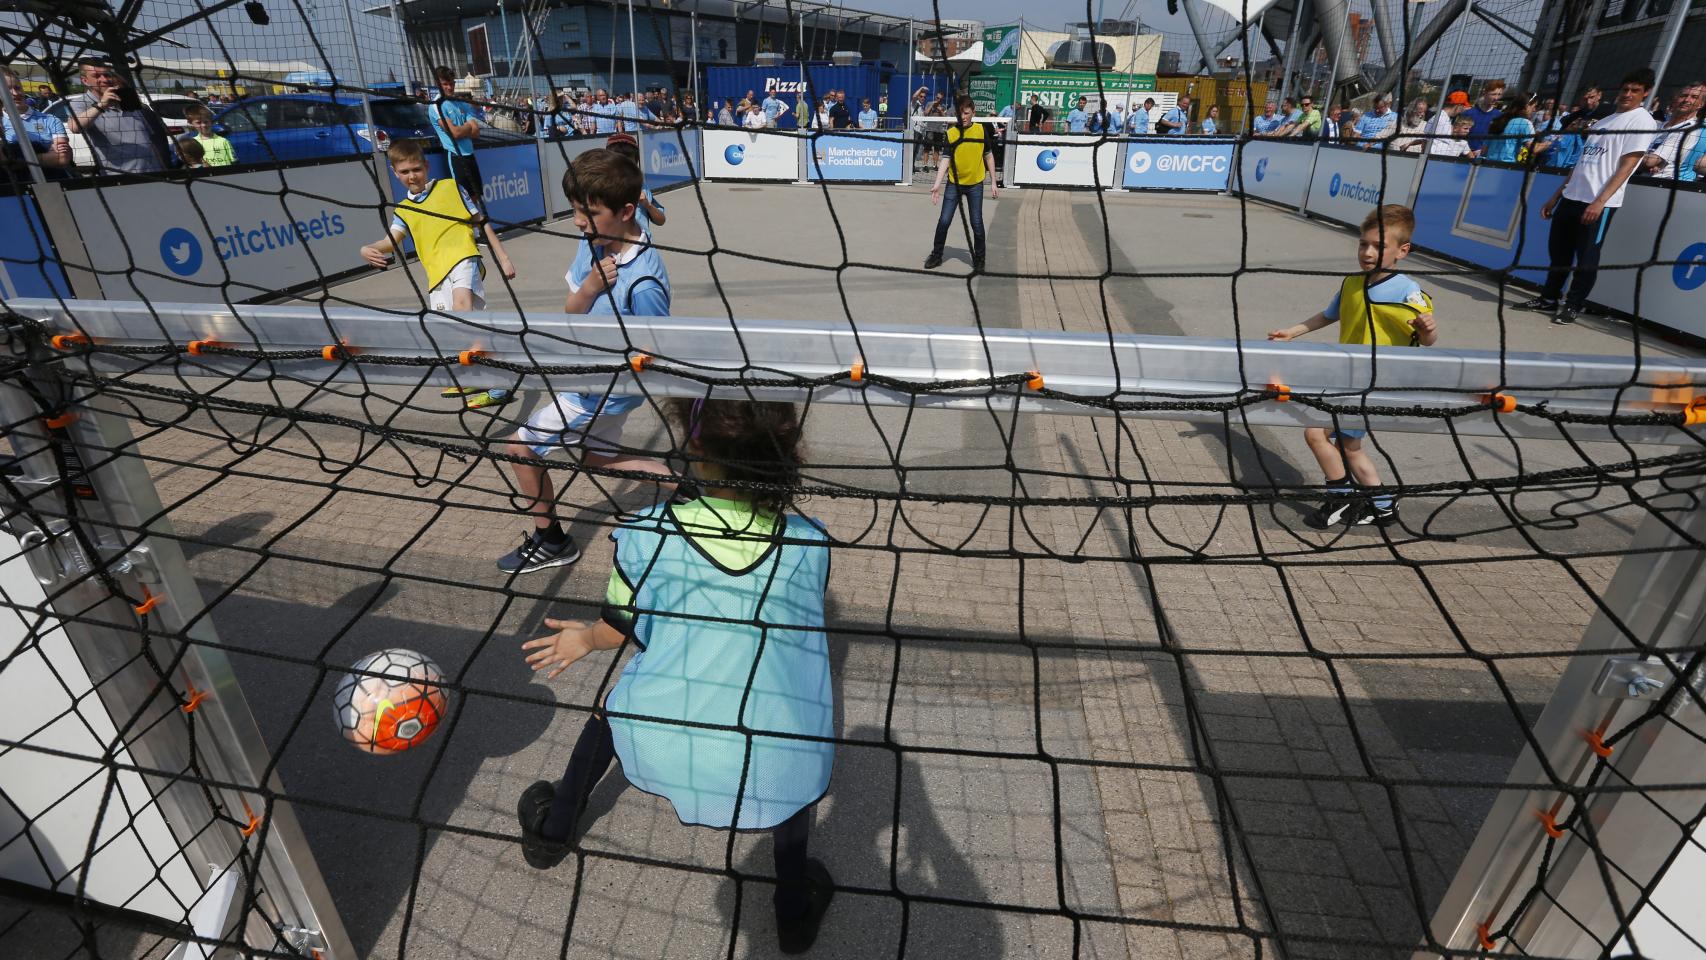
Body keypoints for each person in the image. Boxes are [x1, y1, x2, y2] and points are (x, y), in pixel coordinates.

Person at [515, 395, 836, 953]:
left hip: (660, 737)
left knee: (612, 709)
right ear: (785, 454)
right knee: (793, 746)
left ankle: (552, 832)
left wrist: (582, 639)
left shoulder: (645, 532)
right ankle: (792, 911)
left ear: (696, 449)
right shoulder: (811, 539)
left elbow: (620, 631)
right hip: (779, 758)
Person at [498, 149, 674, 573]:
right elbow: (573, 310)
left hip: (598, 392)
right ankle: (681, 484)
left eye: (589, 212)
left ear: (626, 211)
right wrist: (591, 288)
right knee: (595, 457)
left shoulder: (645, 280)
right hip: (593, 383)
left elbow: (653, 352)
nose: (578, 221)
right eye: (576, 210)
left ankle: (551, 540)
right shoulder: (594, 240)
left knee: (519, 447)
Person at [1267, 204, 1436, 529]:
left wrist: (1428, 329)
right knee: (1349, 446)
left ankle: (1341, 496)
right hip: (1347, 380)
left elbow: (1427, 338)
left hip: (1372, 384)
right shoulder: (1352, 283)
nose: (1368, 252)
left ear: (1402, 251)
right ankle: (1384, 506)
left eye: (1379, 246)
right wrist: (1293, 331)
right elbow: (1330, 314)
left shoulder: (1407, 290)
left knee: (1316, 433)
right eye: (1363, 244)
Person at [1519, 69, 1657, 325]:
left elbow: (1628, 166)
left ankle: (1573, 305)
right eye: (1625, 89)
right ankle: (1549, 298)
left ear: (1645, 93)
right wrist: (1556, 195)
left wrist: (1600, 201)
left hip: (1598, 203)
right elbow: (1581, 162)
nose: (1627, 94)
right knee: (1559, 253)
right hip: (1572, 196)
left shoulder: (1642, 121)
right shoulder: (1605, 121)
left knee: (1586, 258)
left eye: (1634, 90)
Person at [360, 136, 515, 314]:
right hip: (437, 275)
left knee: (461, 307)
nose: (412, 176)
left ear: (426, 166)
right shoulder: (403, 210)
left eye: (416, 169)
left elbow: (482, 222)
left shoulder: (451, 187)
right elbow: (389, 242)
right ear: (394, 172)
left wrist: (504, 259)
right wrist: (368, 248)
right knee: (456, 326)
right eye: (404, 172)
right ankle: (476, 342)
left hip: (464, 258)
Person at [924, 96, 998, 273]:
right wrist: (937, 184)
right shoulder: (951, 133)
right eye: (960, 113)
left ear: (973, 112)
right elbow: (946, 159)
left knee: (976, 223)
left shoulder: (981, 130)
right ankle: (936, 255)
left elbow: (988, 156)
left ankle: (979, 258)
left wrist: (994, 182)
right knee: (944, 221)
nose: (962, 116)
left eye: (966, 113)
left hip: (975, 184)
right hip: (954, 184)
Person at [64, 58, 170, 173]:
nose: (104, 79)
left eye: (106, 75)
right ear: (85, 81)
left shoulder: (127, 100)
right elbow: (75, 127)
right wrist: (102, 105)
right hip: (120, 179)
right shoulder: (80, 103)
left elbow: (149, 142)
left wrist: (163, 169)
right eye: (97, 76)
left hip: (154, 173)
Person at [428, 66, 484, 210]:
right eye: (445, 84)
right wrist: (467, 127)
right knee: (461, 198)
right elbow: (455, 133)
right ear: (438, 84)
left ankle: (477, 229)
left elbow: (476, 131)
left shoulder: (460, 102)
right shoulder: (436, 105)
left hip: (469, 154)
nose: (449, 87)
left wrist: (463, 129)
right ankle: (468, 229)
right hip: (455, 156)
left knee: (475, 195)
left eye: (451, 83)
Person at [1, 65, 73, 178]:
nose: (15, 93)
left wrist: (18, 161)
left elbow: (62, 158)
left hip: (56, 181)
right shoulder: (1, 122)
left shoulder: (50, 119)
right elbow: (4, 163)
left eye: (17, 88)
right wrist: (47, 156)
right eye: (7, 89)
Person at [1639, 81, 1703, 178]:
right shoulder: (1656, 125)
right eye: (1683, 95)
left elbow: (1650, 162)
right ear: (1675, 99)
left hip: (1659, 185)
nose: (1686, 100)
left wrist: (1631, 160)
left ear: (1700, 104)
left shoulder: (1690, 130)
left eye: (1694, 97)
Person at [602, 132, 665, 229]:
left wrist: (648, 205)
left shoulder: (642, 187)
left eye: (628, 161)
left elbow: (661, 220)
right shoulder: (598, 188)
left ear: (635, 161)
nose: (622, 167)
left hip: (641, 243)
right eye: (618, 161)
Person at [1482, 91, 1537, 165]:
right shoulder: (1524, 122)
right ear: (1526, 106)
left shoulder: (1498, 120)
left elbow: (1484, 151)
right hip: (1506, 167)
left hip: (1488, 164)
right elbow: (1533, 148)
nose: (1534, 110)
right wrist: (1550, 143)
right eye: (1533, 107)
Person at [1424, 91, 1472, 156]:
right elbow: (1426, 141)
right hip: (1434, 159)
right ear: (1458, 106)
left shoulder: (1443, 117)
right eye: (1463, 107)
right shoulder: (1441, 119)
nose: (1462, 110)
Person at [1463, 80, 1505, 154]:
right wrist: (1468, 151)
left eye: (1499, 94)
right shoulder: (1469, 113)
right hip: (1466, 156)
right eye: (1493, 94)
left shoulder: (1500, 116)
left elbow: (1497, 141)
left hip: (1486, 157)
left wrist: (1484, 151)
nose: (1496, 98)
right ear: (1484, 93)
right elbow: (1459, 136)